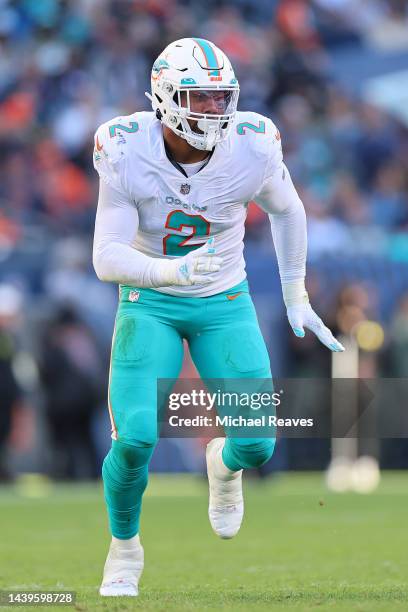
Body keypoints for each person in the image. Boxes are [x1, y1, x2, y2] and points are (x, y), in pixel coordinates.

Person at [92, 37, 344, 597]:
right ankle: (124, 550)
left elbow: (289, 210)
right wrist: (167, 275)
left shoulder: (251, 145)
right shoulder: (125, 146)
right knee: (134, 439)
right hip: (149, 298)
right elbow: (105, 257)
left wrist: (295, 294)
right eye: (198, 97)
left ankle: (221, 465)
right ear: (164, 96)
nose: (212, 110)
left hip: (223, 300)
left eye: (218, 97)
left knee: (257, 445)